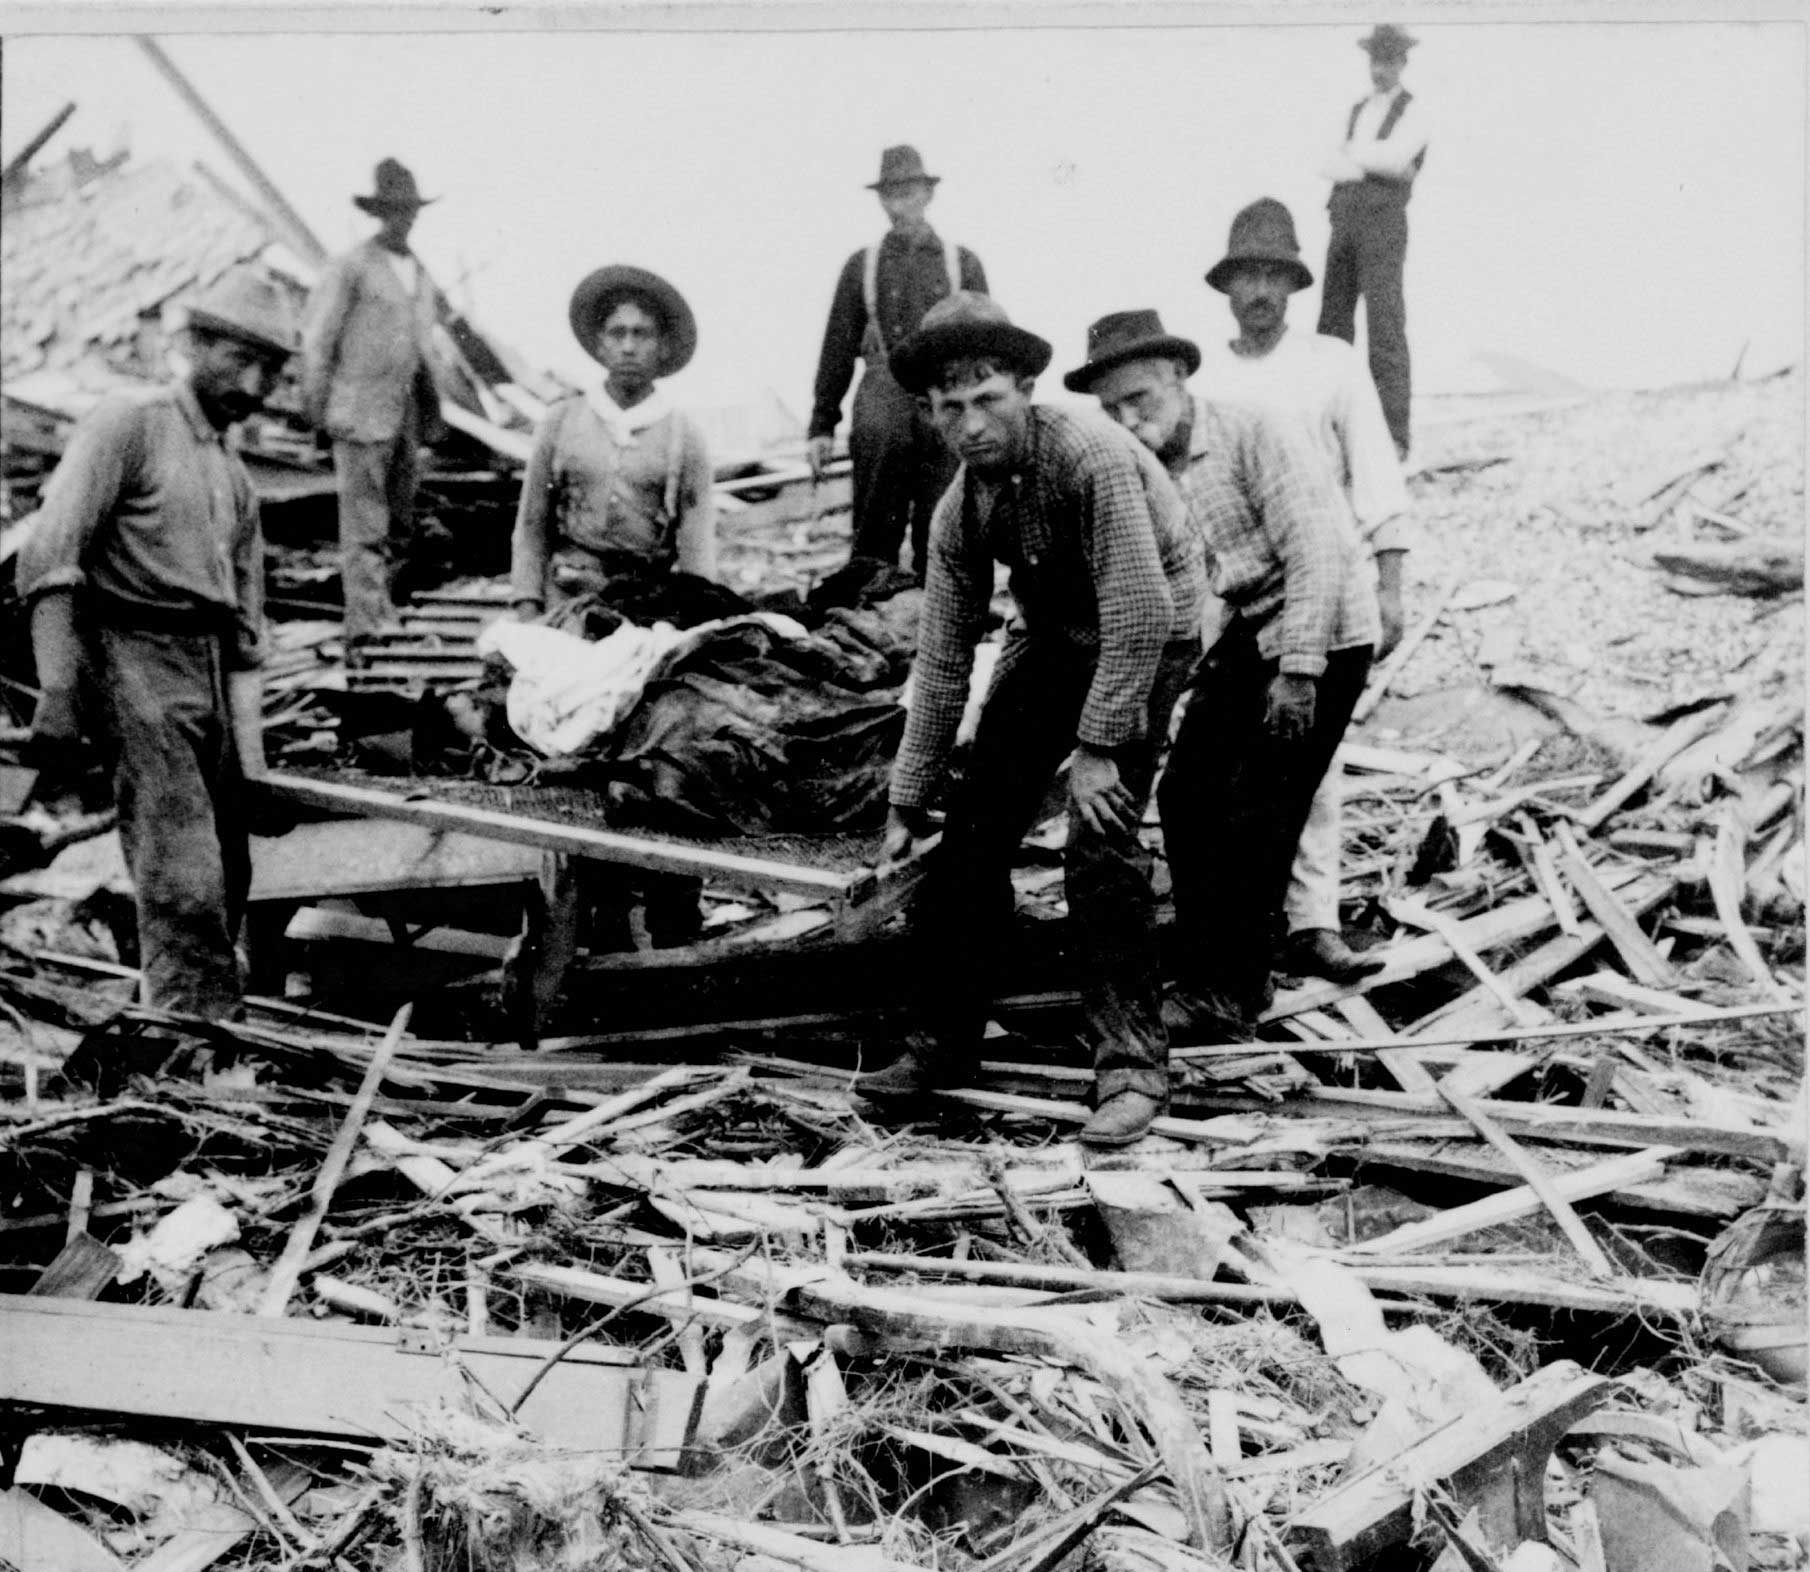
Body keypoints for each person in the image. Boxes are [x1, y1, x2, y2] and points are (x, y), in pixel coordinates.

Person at [858, 293, 1206, 1149]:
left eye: (987, 400)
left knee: (1100, 840)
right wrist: (909, 794)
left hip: (1152, 634)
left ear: (1025, 388)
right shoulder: (958, 510)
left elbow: (1139, 609)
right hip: (1056, 637)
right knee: (972, 832)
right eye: (949, 408)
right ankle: (945, 1042)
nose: (969, 425)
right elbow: (942, 659)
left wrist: (1099, 750)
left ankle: (1132, 1065)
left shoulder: (1090, 456)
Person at [1065, 310, 1378, 1035]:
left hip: (1324, 628)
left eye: (1140, 398)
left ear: (1178, 377)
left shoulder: (1251, 430)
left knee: (1261, 810)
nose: (1128, 419)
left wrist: (1299, 671)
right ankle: (1224, 956)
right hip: (1247, 628)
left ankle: (1231, 991)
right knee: (1187, 794)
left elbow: (1317, 548)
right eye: (1111, 409)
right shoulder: (1140, 472)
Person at [17, 266, 297, 1020]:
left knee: (231, 867)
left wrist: (254, 766)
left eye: (271, 367)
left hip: (203, 667)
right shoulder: (128, 424)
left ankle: (190, 1020)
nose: (257, 382)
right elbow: (52, 557)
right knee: (184, 873)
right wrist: (59, 689)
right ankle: (193, 1050)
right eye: (242, 359)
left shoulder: (234, 477)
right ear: (196, 344)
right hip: (131, 651)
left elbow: (245, 636)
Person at [1202, 196, 1409, 983]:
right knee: (1221, 765)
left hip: (1321, 589)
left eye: (1273, 275)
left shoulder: (1329, 362)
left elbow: (1375, 471)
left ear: (1292, 284)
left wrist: (1391, 581)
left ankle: (1311, 922)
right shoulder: (1206, 374)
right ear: (1226, 286)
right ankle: (1234, 924)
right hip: (1231, 592)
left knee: (1311, 760)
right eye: (1245, 275)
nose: (1259, 290)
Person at [806, 146, 988, 590]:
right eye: (891, 194)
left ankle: (945, 623)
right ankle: (870, 622)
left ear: (928, 194)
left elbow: (991, 344)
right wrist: (821, 424)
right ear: (881, 200)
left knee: (948, 521)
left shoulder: (961, 262)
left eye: (909, 191)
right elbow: (837, 347)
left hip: (947, 399)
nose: (900, 202)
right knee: (874, 527)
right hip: (881, 399)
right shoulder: (861, 266)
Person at [510, 264, 716, 622]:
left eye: (642, 335)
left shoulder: (685, 436)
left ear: (664, 346)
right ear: (599, 344)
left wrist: (697, 617)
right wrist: (528, 606)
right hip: (567, 595)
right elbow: (532, 524)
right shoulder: (561, 421)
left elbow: (697, 545)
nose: (628, 347)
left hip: (645, 604)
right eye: (616, 334)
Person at [301, 158, 444, 649]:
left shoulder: (420, 272)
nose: (402, 219)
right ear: (378, 213)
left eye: (409, 210)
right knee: (365, 526)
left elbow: (422, 348)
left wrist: (431, 413)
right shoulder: (352, 268)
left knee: (401, 523)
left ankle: (390, 613)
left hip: (402, 413)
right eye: (393, 211)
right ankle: (366, 627)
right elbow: (318, 342)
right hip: (358, 412)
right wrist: (318, 415)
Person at [1317, 24, 1430, 462]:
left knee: (1384, 326)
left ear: (1403, 62)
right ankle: (1328, 427)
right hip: (1343, 220)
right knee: (1332, 328)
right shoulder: (1357, 109)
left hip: (1382, 225)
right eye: (1375, 60)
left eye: (1389, 60)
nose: (1380, 68)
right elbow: (1326, 162)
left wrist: (1357, 158)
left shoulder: (1414, 110)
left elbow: (1397, 159)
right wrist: (1374, 162)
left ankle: (1395, 437)